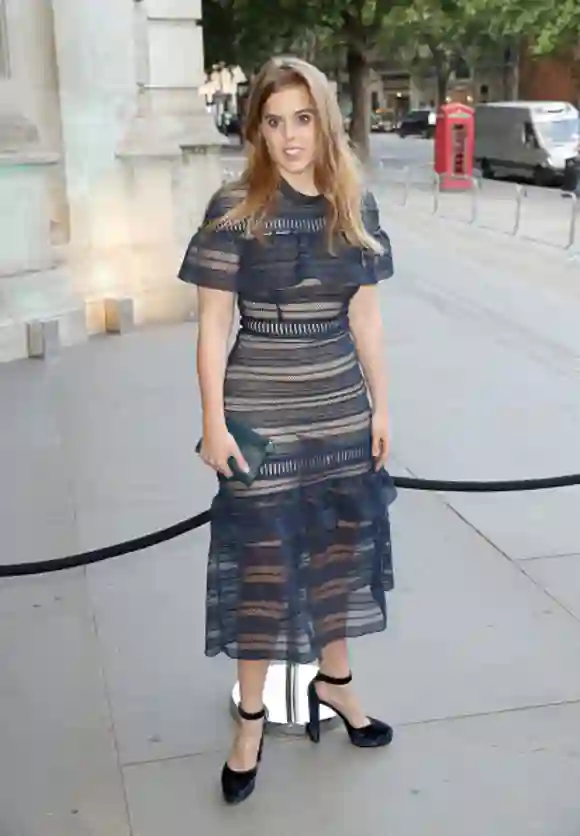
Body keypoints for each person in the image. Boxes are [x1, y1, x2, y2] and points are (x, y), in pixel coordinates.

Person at [178, 55, 397, 806]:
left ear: (325, 121)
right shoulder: (235, 206)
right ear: (258, 128)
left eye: (302, 119)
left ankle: (335, 686)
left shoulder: (351, 204)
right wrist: (213, 422)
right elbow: (212, 328)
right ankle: (250, 718)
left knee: (337, 556)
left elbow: (366, 315)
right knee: (265, 575)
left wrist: (382, 407)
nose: (288, 136)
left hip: (339, 409)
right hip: (261, 415)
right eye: (274, 122)